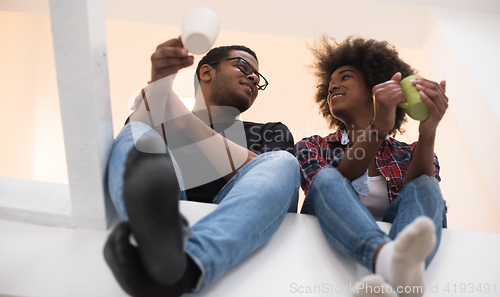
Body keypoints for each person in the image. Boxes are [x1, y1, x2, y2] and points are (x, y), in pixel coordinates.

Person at [104, 37, 300, 297]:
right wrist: (161, 87)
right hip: (171, 213)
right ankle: (155, 240)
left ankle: (188, 266)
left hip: (235, 217)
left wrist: (182, 120)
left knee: (284, 162)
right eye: (244, 66)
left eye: (258, 77)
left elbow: (273, 177)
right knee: (137, 132)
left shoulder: (270, 131)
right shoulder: (158, 120)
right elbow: (132, 141)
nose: (254, 78)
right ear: (206, 71)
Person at [294, 36, 448, 297]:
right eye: (330, 85)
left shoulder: (409, 151)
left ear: (376, 85)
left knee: (426, 185)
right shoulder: (312, 146)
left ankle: (398, 272)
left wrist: (428, 130)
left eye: (344, 77)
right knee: (328, 178)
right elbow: (333, 182)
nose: (333, 87)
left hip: (391, 241)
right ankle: (389, 264)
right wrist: (379, 128)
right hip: (328, 228)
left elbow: (419, 196)